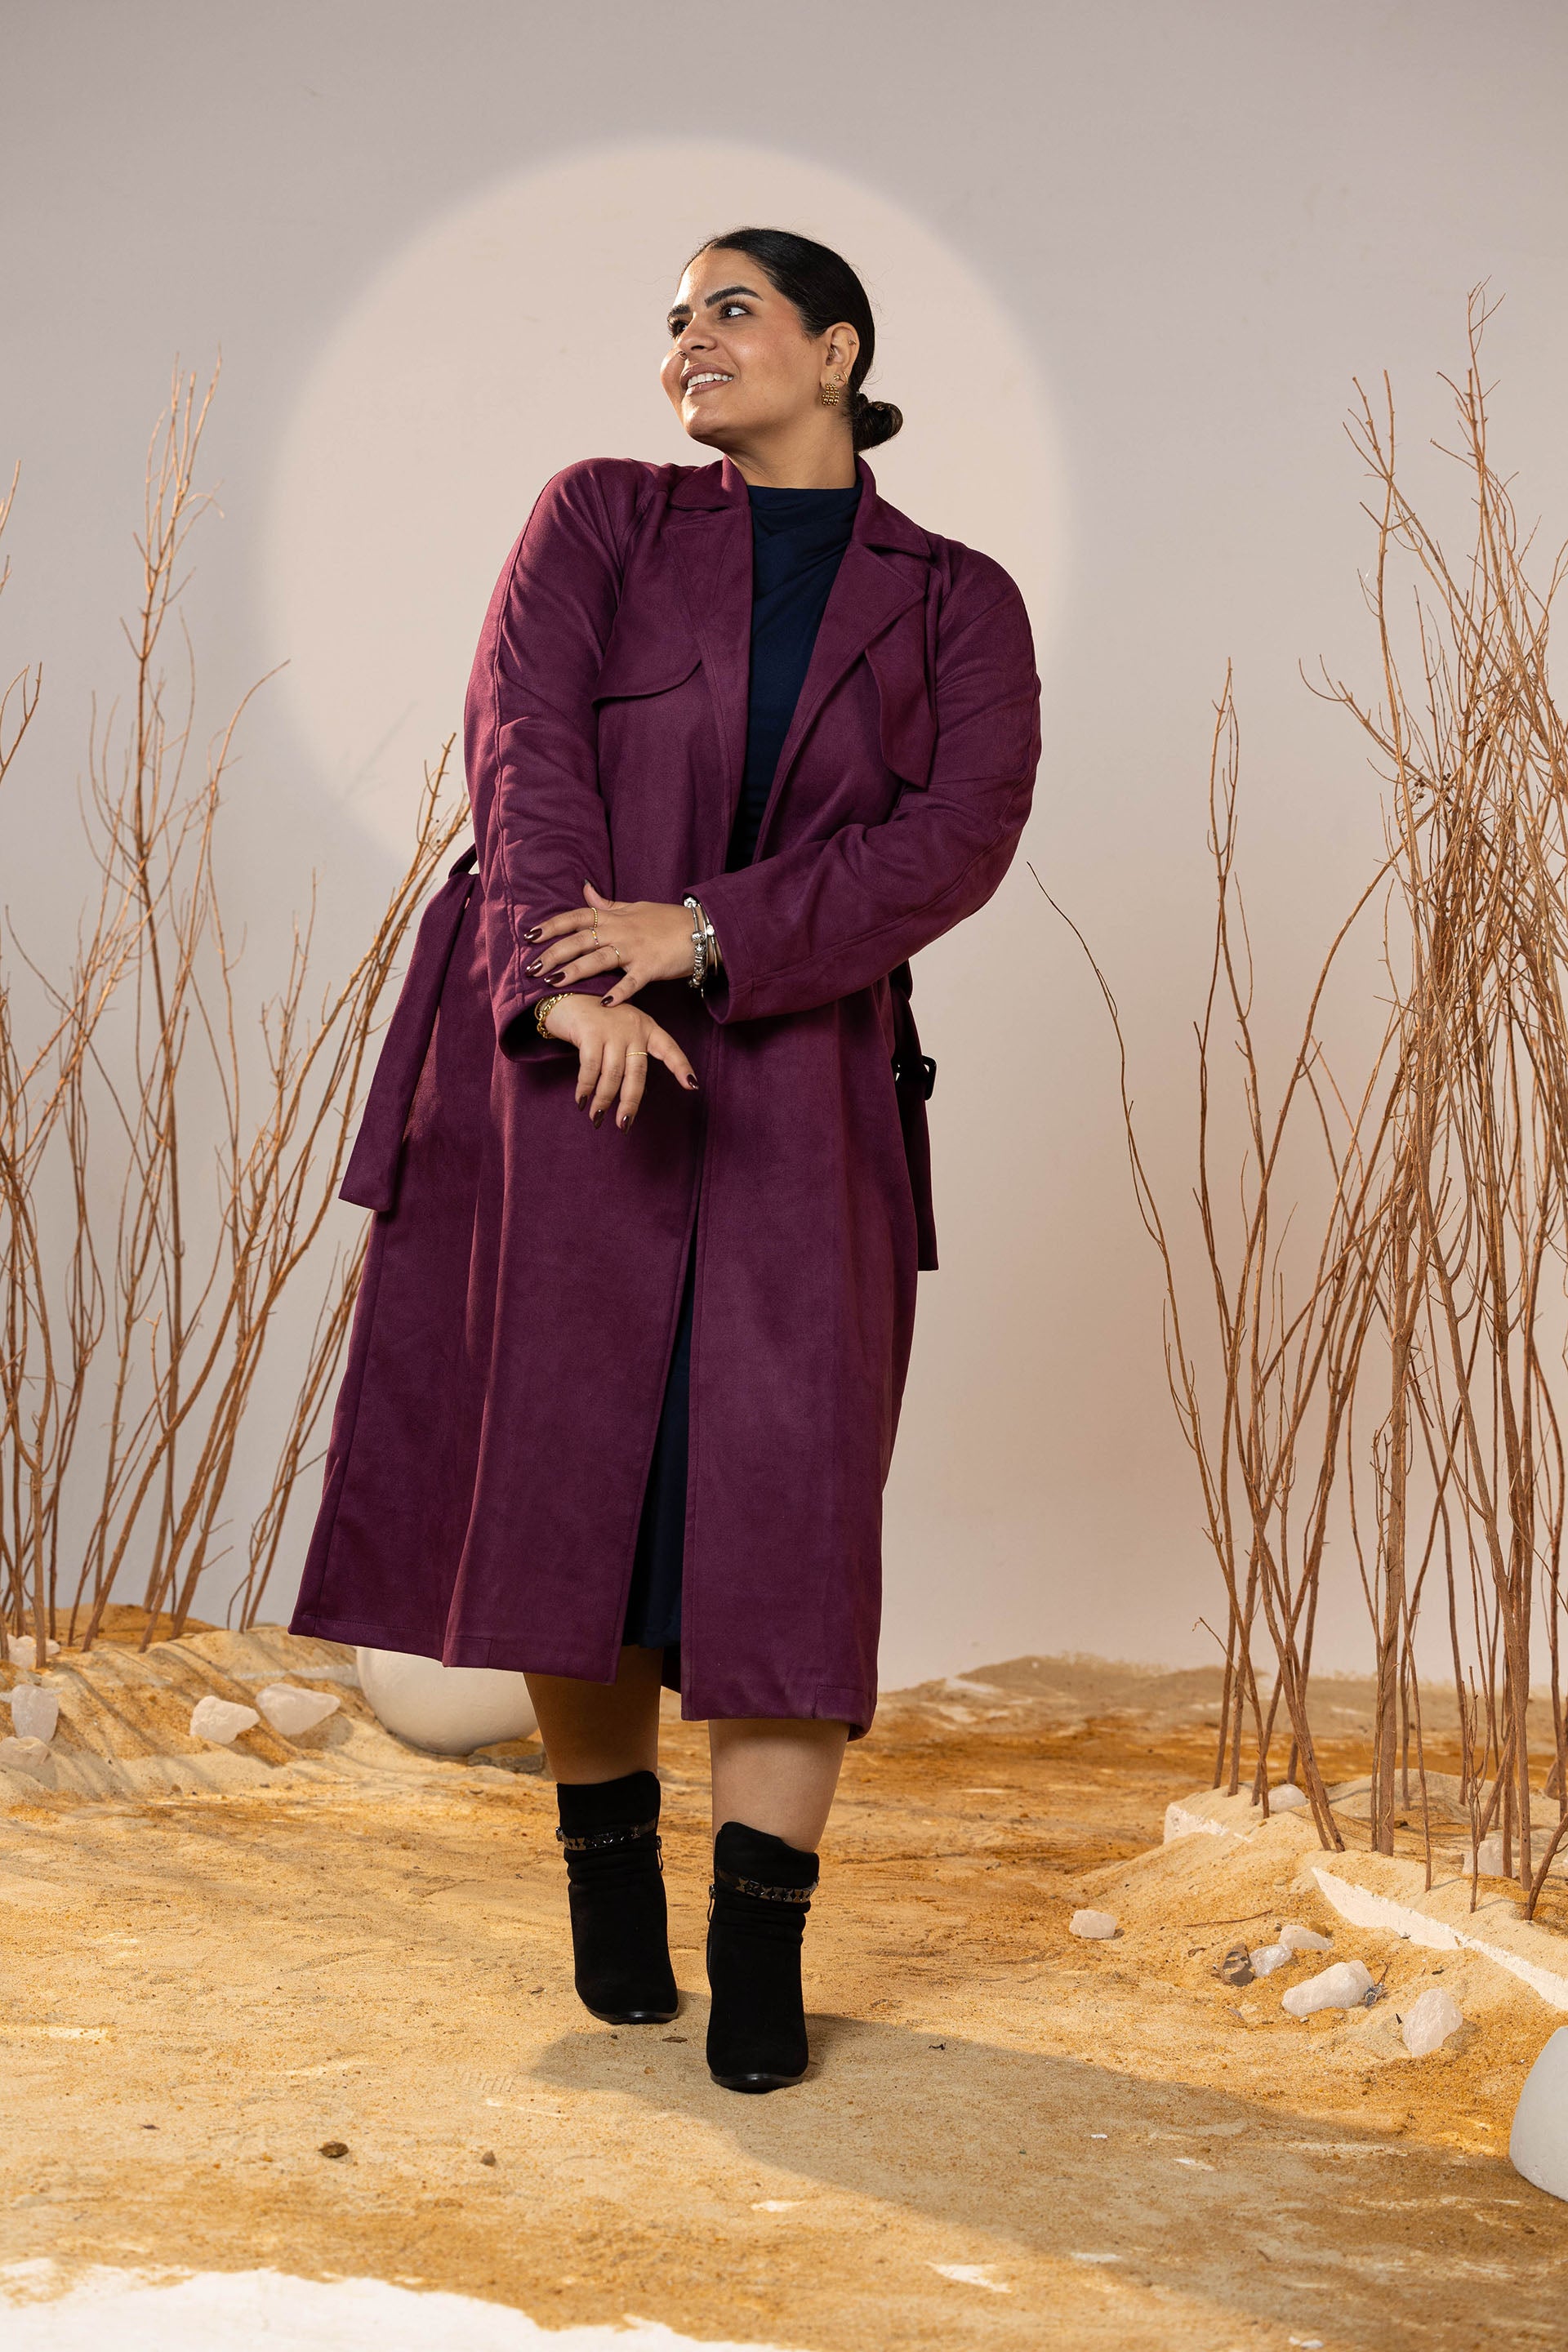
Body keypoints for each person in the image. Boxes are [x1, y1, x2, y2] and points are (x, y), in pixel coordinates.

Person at [291, 225, 1041, 2093]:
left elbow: (959, 836)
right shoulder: (602, 520)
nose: (688, 344)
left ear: (838, 350)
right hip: (569, 1071)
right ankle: (608, 1879)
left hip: (805, 1082)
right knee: (578, 1491)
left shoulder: (958, 600)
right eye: (675, 321)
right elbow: (521, 743)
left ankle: (762, 1948)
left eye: (731, 311)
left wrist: (702, 936)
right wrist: (569, 978)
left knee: (786, 1511)